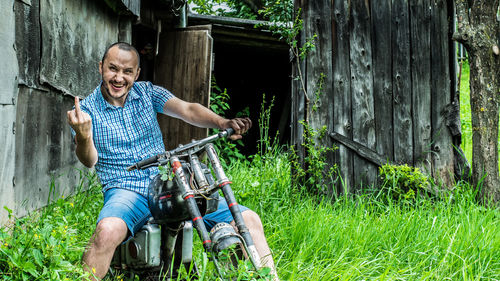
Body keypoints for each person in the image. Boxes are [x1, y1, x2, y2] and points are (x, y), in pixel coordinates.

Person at [67, 42, 278, 280]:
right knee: (106, 232)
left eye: (127, 72)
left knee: (248, 219)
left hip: (168, 183)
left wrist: (221, 122)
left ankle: (269, 277)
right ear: (101, 67)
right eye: (112, 69)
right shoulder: (86, 111)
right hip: (125, 189)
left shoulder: (147, 92)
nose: (119, 78)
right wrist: (84, 137)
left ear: (136, 73)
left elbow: (187, 109)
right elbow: (89, 160)